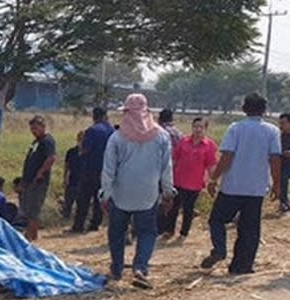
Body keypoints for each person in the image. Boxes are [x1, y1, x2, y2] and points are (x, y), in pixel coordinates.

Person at [201, 93, 281, 274]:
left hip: (233, 185)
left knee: (217, 220)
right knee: (250, 228)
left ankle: (220, 249)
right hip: (256, 188)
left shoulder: (236, 128)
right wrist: (277, 183)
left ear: (244, 109)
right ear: (264, 110)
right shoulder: (272, 131)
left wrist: (214, 178)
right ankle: (242, 266)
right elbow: (275, 158)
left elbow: (227, 156)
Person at [100, 94, 175, 289]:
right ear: (147, 111)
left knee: (117, 232)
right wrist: (168, 191)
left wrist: (105, 193)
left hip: (120, 193)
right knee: (147, 232)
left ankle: (116, 269)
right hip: (148, 194)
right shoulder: (161, 136)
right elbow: (166, 167)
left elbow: (108, 168)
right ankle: (140, 267)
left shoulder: (117, 137)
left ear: (126, 112)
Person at [159, 118, 217, 239]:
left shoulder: (209, 146)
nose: (198, 129)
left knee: (188, 209)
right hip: (179, 180)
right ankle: (169, 230)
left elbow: (211, 165)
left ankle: (184, 232)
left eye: (201, 127)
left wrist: (214, 180)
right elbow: (174, 159)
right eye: (196, 126)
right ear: (192, 127)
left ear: (205, 129)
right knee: (174, 207)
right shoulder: (184, 141)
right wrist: (166, 175)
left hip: (195, 183)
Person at [73, 107, 114, 233]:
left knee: (84, 198)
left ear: (94, 117)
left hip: (91, 168)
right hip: (107, 170)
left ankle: (79, 225)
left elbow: (85, 149)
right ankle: (95, 224)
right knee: (99, 198)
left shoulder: (92, 130)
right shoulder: (112, 131)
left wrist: (80, 150)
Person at [19, 115, 57, 241]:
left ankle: (31, 236)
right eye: (32, 128)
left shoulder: (47, 141)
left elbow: (51, 158)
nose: (33, 131)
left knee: (34, 209)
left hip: (38, 181)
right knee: (28, 208)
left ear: (42, 127)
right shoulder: (36, 142)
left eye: (36, 128)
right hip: (29, 180)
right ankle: (30, 234)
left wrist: (40, 172)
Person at [62, 130, 84, 219]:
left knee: (81, 202)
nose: (81, 141)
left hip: (83, 180)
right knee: (68, 200)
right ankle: (66, 216)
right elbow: (66, 166)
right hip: (72, 179)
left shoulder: (89, 152)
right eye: (80, 138)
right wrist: (65, 178)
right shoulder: (71, 152)